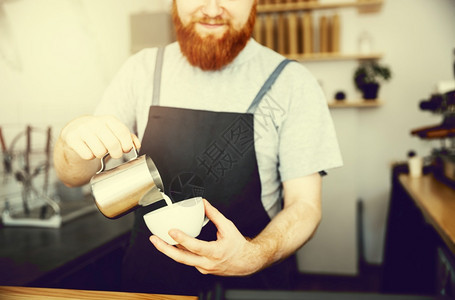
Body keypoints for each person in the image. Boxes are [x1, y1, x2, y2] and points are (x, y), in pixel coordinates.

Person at [53, 0, 343, 296]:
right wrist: (71, 139)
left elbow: (305, 205)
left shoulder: (292, 82)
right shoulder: (142, 70)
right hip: (150, 284)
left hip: (250, 286)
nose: (214, 9)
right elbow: (73, 177)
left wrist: (254, 255)